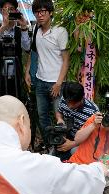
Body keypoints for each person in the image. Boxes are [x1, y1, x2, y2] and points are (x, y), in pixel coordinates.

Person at [26, 0, 70, 148]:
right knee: (42, 116)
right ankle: (50, 145)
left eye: (43, 11)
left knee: (59, 116)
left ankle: (61, 147)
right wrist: (27, 72)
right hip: (39, 81)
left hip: (55, 82)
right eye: (37, 12)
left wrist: (58, 83)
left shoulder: (60, 31)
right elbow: (33, 53)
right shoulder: (36, 30)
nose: (40, 15)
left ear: (50, 12)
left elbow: (66, 60)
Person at [0, 0, 30, 107]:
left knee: (15, 105)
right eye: (6, 9)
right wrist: (3, 27)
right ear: (1, 11)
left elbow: (27, 47)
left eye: (12, 9)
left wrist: (24, 27)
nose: (9, 12)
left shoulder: (20, 31)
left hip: (15, 76)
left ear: (16, 11)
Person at [69, 97, 109, 164]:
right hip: (79, 162)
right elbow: (77, 139)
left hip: (100, 170)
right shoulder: (96, 119)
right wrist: (93, 125)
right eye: (108, 115)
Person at [53, 81, 99, 160]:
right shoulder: (64, 99)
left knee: (73, 152)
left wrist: (72, 144)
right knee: (53, 156)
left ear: (81, 99)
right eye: (68, 103)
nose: (70, 106)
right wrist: (60, 119)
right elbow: (59, 112)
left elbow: (93, 137)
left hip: (83, 142)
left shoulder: (92, 112)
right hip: (67, 135)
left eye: (73, 103)